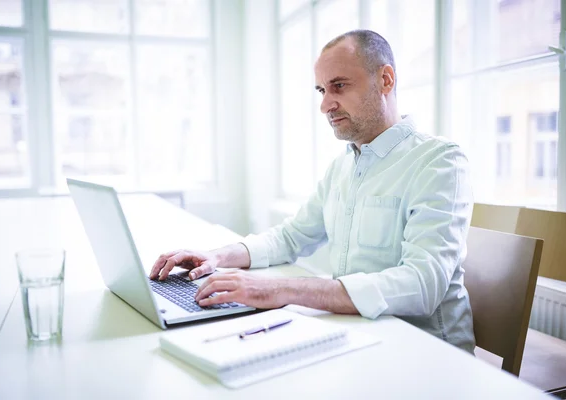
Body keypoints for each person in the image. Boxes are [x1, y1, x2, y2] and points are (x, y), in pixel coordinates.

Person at [149, 30, 475, 353]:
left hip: (424, 354)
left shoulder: (439, 161)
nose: (325, 105)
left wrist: (280, 290)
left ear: (386, 80)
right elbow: (291, 237)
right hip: (360, 336)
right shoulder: (343, 167)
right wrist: (217, 256)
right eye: (321, 90)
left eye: (339, 86)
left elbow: (422, 284)